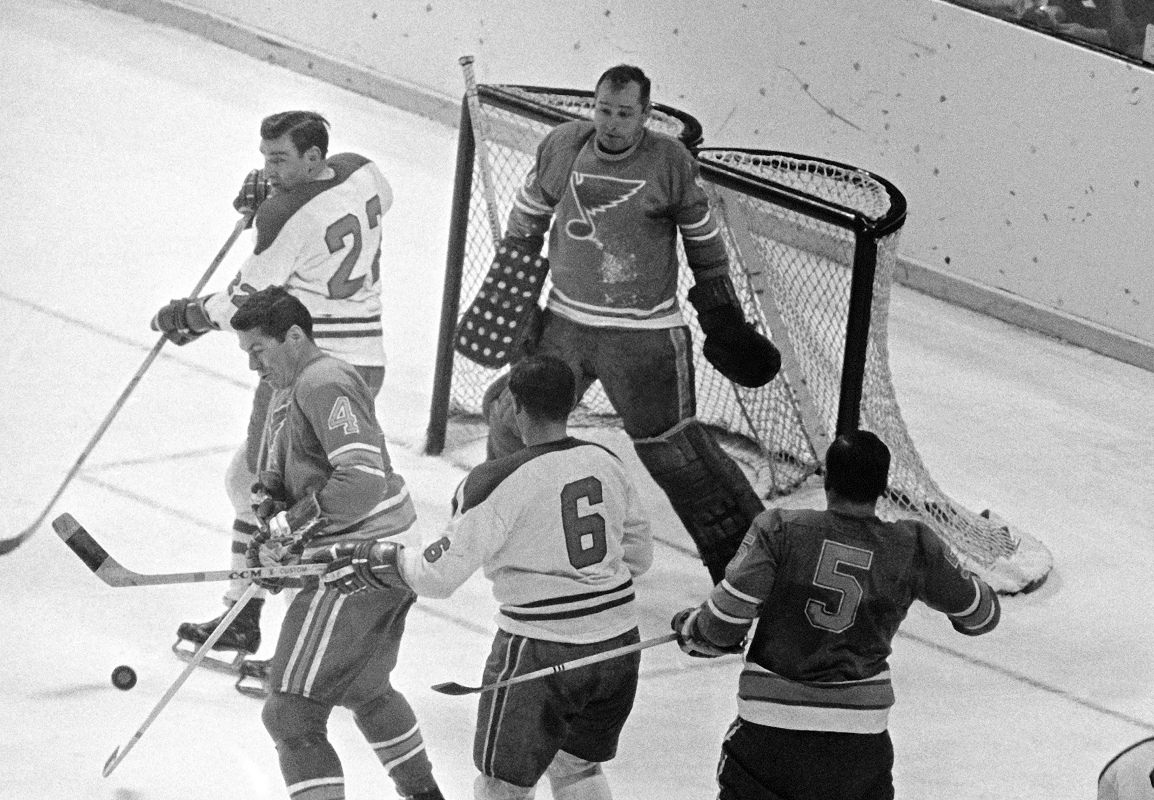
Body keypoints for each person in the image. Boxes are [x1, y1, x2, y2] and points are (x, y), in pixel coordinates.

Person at [481, 64, 781, 586]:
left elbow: (704, 243)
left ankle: (752, 572)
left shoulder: (669, 162)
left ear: (646, 114)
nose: (612, 123)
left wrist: (720, 313)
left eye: (625, 113)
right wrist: (515, 293)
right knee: (513, 419)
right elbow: (527, 220)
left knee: (677, 456)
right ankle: (504, 533)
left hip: (644, 337)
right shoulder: (563, 146)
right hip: (566, 325)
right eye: (604, 110)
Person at [321, 354, 654, 800]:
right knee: (578, 768)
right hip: (619, 645)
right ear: (572, 403)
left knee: (502, 785)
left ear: (512, 406)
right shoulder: (605, 460)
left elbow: (436, 577)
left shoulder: (496, 481)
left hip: (540, 650)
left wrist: (380, 556)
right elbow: (640, 555)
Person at [150, 109, 393, 669]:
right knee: (254, 482)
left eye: (279, 159)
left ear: (313, 157)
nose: (269, 169)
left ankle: (263, 618)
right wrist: (280, 191)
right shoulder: (365, 172)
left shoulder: (286, 215)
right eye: (265, 158)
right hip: (365, 361)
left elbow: (245, 302)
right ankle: (250, 610)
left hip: (304, 366)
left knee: (266, 490)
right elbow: (337, 210)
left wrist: (191, 313)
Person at [671, 430, 1001, 800]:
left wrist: (692, 627)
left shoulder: (779, 529)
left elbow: (721, 627)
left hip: (770, 733)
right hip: (858, 743)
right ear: (882, 487)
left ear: (827, 480)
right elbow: (982, 616)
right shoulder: (913, 545)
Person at [230, 286, 444, 800]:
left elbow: (362, 478)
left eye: (258, 350)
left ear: (295, 336)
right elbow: (288, 477)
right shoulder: (294, 383)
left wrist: (289, 529)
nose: (253, 365)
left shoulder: (324, 381)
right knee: (366, 690)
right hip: (373, 551)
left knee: (290, 712)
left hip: (361, 557)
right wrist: (270, 518)